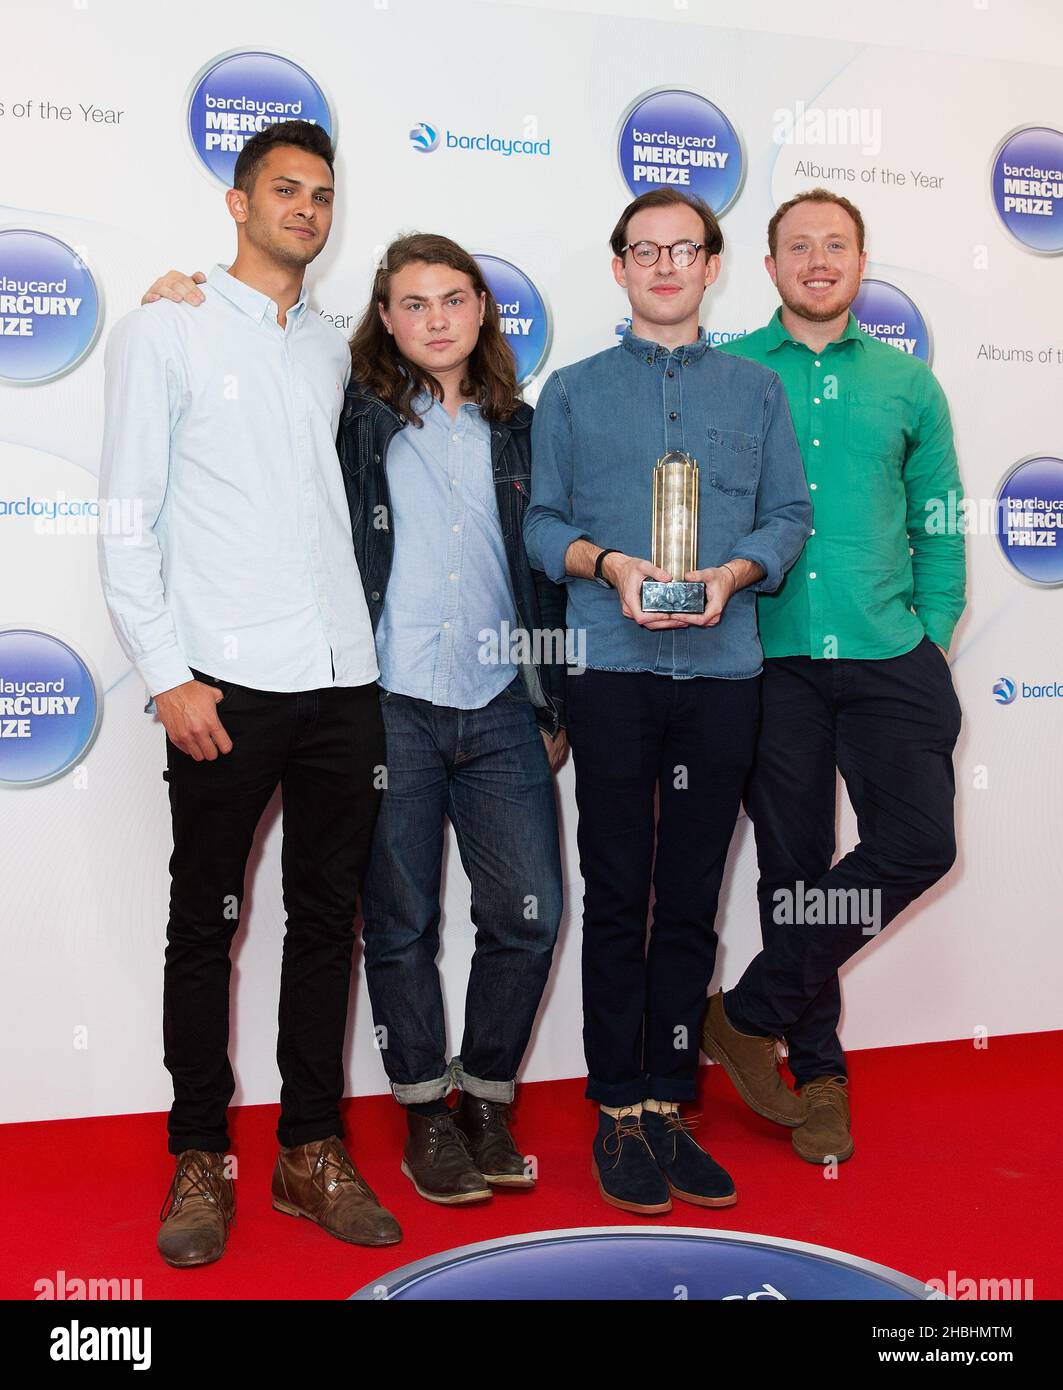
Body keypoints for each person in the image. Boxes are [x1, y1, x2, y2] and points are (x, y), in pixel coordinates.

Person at [142, 233, 568, 1209]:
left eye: (452, 299)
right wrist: (178, 297)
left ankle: (486, 1096)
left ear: (481, 310)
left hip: (503, 701)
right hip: (385, 704)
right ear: (383, 316)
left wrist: (553, 694)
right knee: (400, 923)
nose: (434, 319)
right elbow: (255, 369)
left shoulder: (523, 429)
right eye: (411, 303)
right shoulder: (350, 411)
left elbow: (543, 569)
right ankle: (424, 1109)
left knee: (529, 912)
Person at [100, 120, 399, 1268]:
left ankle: (309, 1149)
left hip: (343, 681)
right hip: (222, 684)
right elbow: (129, 516)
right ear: (238, 203)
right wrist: (167, 672)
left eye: (323, 194)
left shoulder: (331, 344)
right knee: (204, 924)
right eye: (285, 191)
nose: (307, 211)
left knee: (330, 923)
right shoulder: (164, 329)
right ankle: (199, 1156)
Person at [523, 188, 812, 1215]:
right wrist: (606, 565)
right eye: (642, 250)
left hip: (725, 673)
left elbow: (787, 514)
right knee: (617, 894)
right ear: (617, 268)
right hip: (610, 671)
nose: (663, 265)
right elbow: (539, 525)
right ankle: (615, 1109)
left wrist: (734, 574)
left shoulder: (755, 393)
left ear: (711, 265)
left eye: (682, 249)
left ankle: (668, 1101)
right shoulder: (571, 391)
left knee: (691, 897)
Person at [706, 188, 965, 1163]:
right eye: (798, 246)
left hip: (890, 653)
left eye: (837, 245)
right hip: (770, 661)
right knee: (793, 869)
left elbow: (939, 520)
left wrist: (932, 633)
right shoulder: (728, 373)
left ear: (860, 262)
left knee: (918, 844)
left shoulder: (908, 386)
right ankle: (815, 1075)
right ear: (767, 267)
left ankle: (747, 1011)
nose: (818, 260)